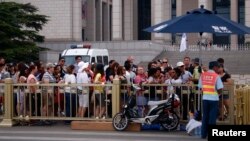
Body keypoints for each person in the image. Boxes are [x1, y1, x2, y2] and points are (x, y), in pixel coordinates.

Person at [198, 61, 223, 139]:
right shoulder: (216, 76)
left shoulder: (203, 75)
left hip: (205, 98)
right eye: (218, 67)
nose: (218, 69)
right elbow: (220, 88)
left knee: (205, 116)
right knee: (212, 118)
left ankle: (203, 134)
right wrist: (218, 94)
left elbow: (200, 87)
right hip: (214, 99)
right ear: (214, 67)